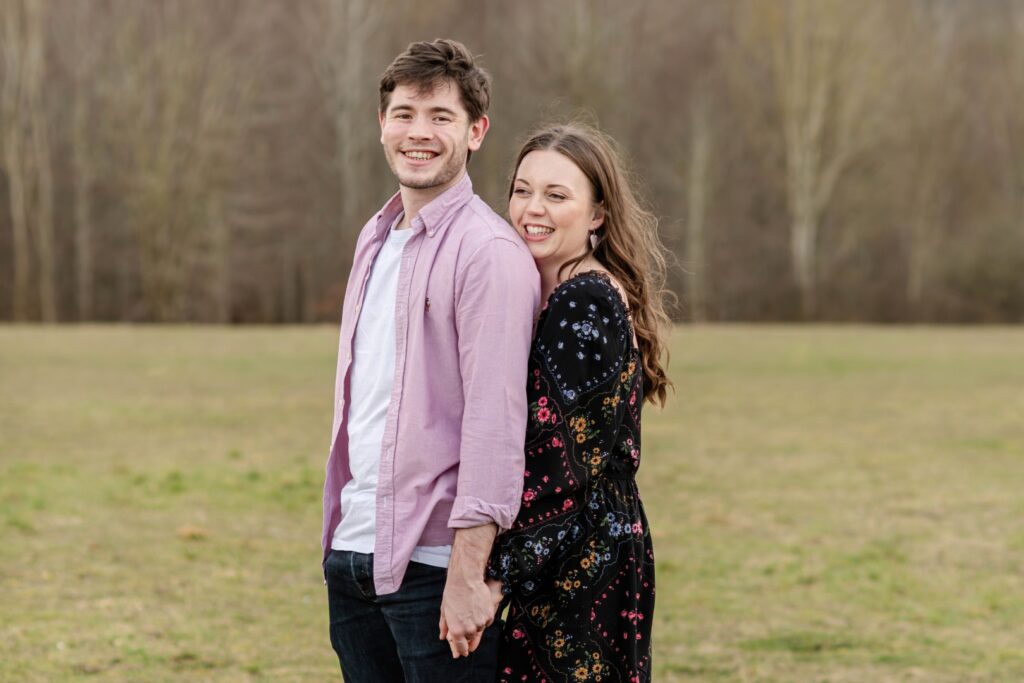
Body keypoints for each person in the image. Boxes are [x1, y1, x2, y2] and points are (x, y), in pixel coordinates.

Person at [320, 39, 540, 682]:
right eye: (405, 113)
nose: (420, 132)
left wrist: (470, 574)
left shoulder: (488, 253)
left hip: (435, 569)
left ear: (476, 132)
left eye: (441, 117)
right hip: (353, 552)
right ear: (381, 124)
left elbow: (496, 425)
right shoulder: (375, 236)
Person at [484, 123, 672, 683]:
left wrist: (492, 576)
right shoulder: (562, 289)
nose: (531, 209)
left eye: (556, 195)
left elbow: (558, 467)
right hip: (571, 547)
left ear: (597, 215)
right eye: (522, 190)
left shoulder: (581, 300)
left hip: (577, 560)